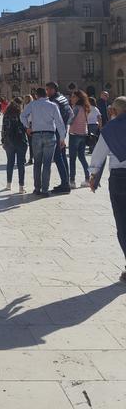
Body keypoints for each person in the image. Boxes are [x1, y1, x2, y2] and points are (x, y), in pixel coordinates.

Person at [89, 96, 126, 282]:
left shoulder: (109, 130)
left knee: (123, 224)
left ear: (114, 111)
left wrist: (93, 177)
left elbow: (98, 155)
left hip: (119, 179)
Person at [20, 86, 66, 196]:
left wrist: (27, 127)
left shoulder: (33, 104)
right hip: (50, 135)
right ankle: (45, 190)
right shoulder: (53, 105)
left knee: (37, 163)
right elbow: (59, 122)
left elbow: (22, 116)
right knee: (47, 164)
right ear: (46, 94)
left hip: (36, 135)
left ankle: (37, 188)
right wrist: (62, 138)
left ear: (36, 95)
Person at [46, 81, 74, 193]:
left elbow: (53, 118)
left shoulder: (54, 101)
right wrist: (66, 125)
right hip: (63, 129)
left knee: (58, 157)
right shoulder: (63, 98)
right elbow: (71, 114)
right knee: (62, 156)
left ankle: (65, 185)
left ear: (53, 89)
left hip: (57, 130)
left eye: (48, 89)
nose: (47, 92)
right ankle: (65, 182)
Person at [1, 97, 27, 193]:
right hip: (20, 141)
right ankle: (21, 186)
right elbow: (25, 128)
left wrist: (3, 141)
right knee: (21, 164)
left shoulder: (6, 115)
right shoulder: (21, 114)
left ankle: (8, 184)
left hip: (9, 142)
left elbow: (3, 129)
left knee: (10, 163)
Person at [68, 89, 91, 188]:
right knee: (82, 157)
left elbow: (70, 121)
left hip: (74, 134)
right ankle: (88, 179)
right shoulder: (85, 107)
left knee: (72, 158)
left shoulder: (76, 108)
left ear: (78, 98)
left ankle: (72, 181)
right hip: (83, 134)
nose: (71, 98)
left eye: (73, 96)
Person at [23, 95, 34, 164]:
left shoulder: (31, 106)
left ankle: (31, 157)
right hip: (27, 125)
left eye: (27, 99)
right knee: (28, 142)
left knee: (30, 143)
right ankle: (30, 157)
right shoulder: (25, 105)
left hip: (30, 125)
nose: (25, 100)